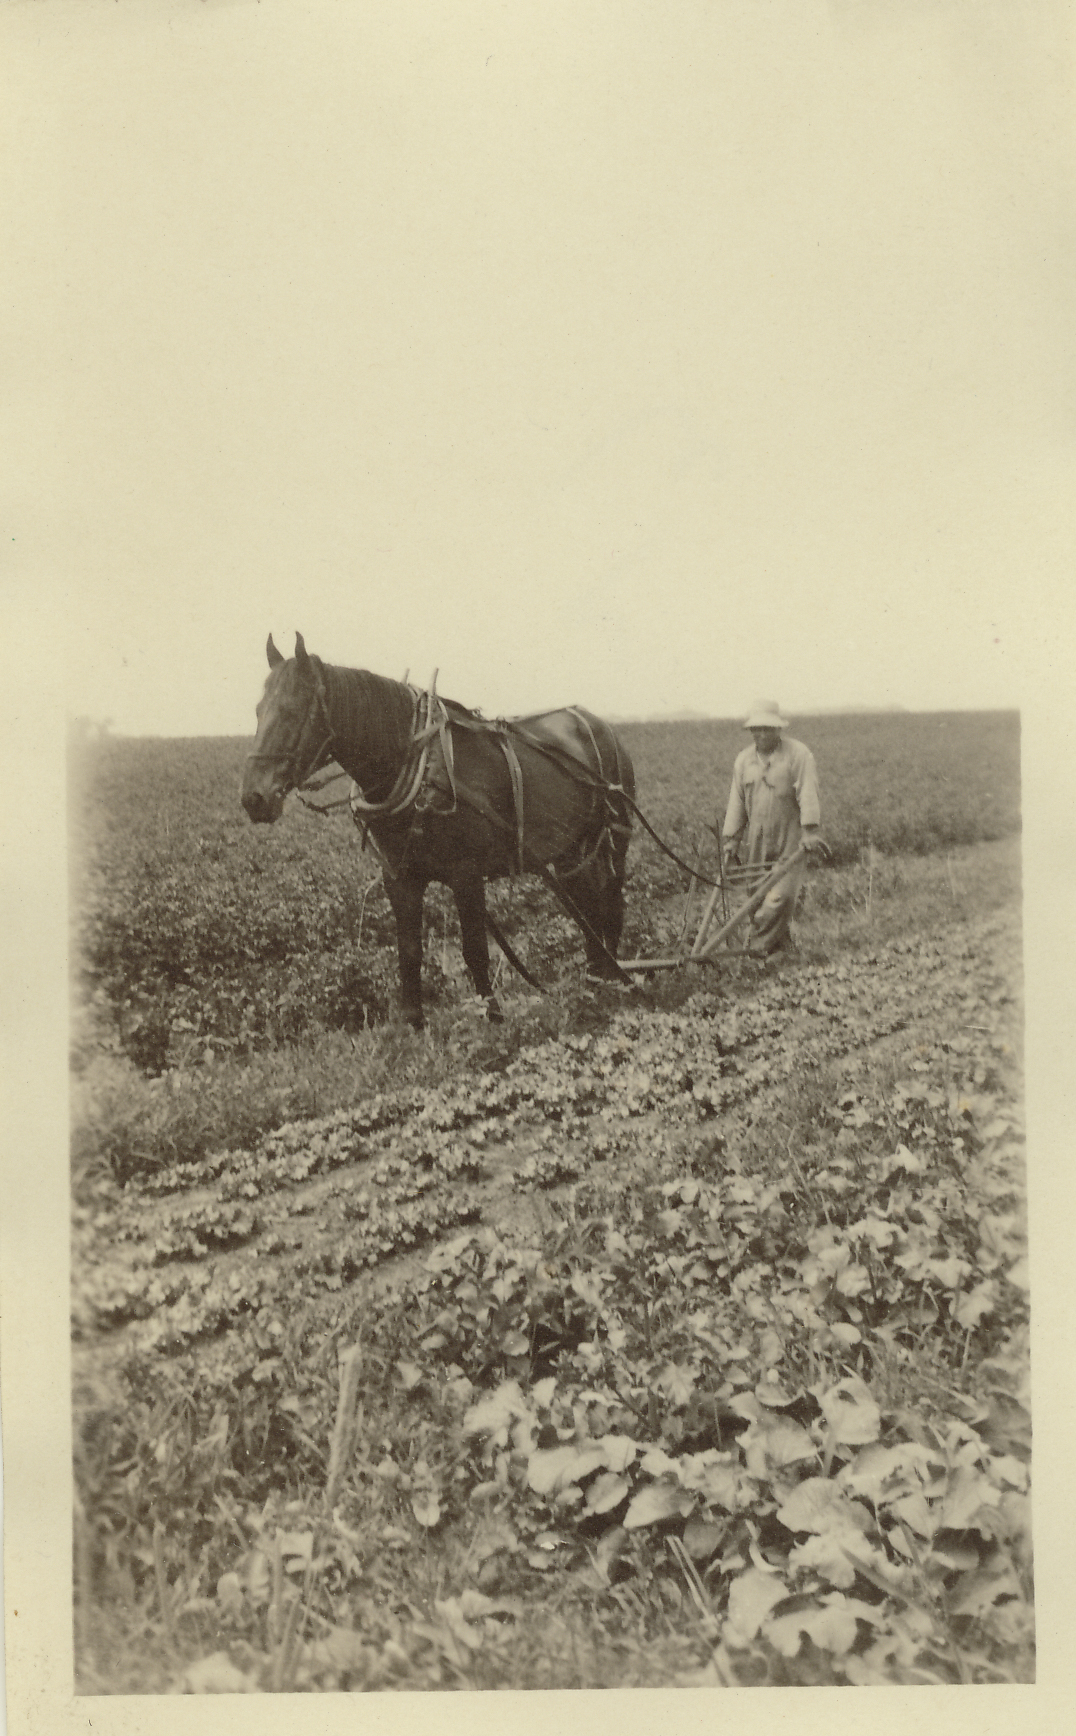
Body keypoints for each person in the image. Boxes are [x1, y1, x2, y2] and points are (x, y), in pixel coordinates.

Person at [721, 701, 826, 955]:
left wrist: (810, 831)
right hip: (757, 837)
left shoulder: (798, 755)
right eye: (756, 729)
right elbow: (737, 801)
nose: (761, 734)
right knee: (756, 896)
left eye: (767, 729)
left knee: (780, 898)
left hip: (789, 836)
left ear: (778, 729)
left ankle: (755, 950)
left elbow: (808, 792)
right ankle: (779, 946)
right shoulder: (744, 760)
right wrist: (732, 838)